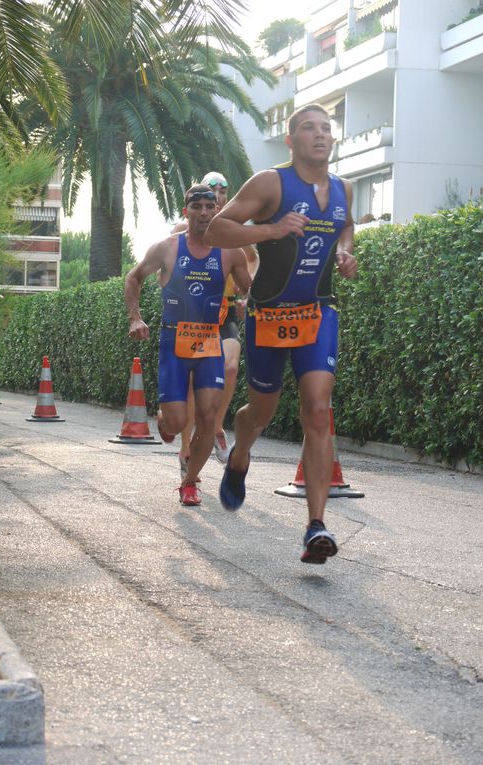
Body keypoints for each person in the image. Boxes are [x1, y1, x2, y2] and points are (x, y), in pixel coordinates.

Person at [204, 103, 357, 563]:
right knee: (260, 411)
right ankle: (240, 453)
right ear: (291, 140)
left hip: (319, 311)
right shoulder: (271, 182)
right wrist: (271, 229)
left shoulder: (346, 188)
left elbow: (345, 226)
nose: (320, 135)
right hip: (269, 314)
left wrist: (346, 252)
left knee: (317, 409)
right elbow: (216, 229)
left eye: (327, 129)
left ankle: (315, 526)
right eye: (309, 128)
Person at [125, 184, 251, 506]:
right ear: (187, 212)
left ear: (217, 210)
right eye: (199, 208)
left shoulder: (230, 253)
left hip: (210, 340)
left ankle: (190, 481)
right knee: (179, 422)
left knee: (208, 416)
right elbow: (134, 277)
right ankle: (166, 421)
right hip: (174, 340)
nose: (206, 213)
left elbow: (249, 289)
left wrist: (246, 300)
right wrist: (135, 318)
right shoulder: (167, 248)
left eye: (211, 207)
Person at [172, 172, 258, 478]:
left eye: (223, 190)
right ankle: (185, 448)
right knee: (194, 386)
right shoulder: (185, 228)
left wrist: (245, 288)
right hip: (192, 320)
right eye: (213, 190)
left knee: (231, 368)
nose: (219, 195)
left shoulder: (234, 232)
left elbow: (253, 258)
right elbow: (171, 253)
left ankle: (218, 426)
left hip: (224, 317)